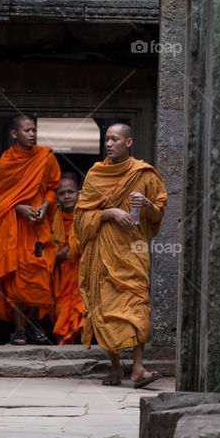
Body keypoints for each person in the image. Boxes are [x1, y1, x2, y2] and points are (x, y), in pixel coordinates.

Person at [74, 123, 168, 386]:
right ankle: (115, 366)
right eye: (106, 139)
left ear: (128, 142)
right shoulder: (96, 174)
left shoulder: (145, 174)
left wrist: (148, 205)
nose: (109, 144)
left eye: (114, 139)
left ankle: (138, 368)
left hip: (134, 251)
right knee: (106, 310)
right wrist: (109, 213)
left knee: (138, 306)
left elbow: (159, 211)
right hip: (104, 252)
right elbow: (80, 219)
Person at [0, 114, 61, 344]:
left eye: (34, 130)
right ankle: (20, 328)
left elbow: (53, 188)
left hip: (38, 226)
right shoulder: (4, 164)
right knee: (16, 276)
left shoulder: (46, 158)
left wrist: (45, 205)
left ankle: (32, 323)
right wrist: (19, 208)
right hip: (14, 228)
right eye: (27, 130)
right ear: (14, 134)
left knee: (39, 273)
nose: (32, 134)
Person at [50, 172, 85, 345]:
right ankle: (64, 336)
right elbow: (50, 253)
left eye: (70, 192)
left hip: (83, 269)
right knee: (62, 307)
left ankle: (79, 339)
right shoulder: (50, 219)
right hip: (60, 273)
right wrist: (62, 254)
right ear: (56, 197)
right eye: (62, 193)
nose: (67, 196)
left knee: (81, 305)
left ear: (78, 194)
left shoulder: (86, 217)